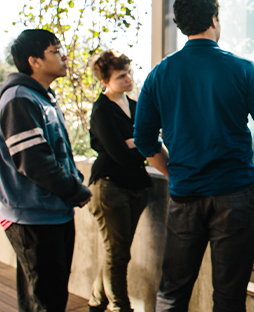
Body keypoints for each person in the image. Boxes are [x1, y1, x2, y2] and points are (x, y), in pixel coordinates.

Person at [133, 0, 254, 312]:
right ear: (213, 19)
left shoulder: (159, 75)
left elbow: (144, 140)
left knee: (172, 292)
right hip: (235, 198)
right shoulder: (241, 69)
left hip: (184, 197)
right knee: (228, 296)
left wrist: (175, 173)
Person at [0, 29, 92, 312]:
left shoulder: (43, 97)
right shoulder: (19, 99)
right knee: (46, 301)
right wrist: (76, 190)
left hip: (53, 214)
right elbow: (35, 161)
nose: (64, 56)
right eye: (56, 50)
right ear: (34, 60)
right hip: (34, 219)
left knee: (50, 296)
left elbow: (58, 153)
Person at [87, 50, 153, 312]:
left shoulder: (135, 106)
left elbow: (146, 145)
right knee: (118, 254)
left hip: (137, 186)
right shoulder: (102, 111)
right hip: (109, 186)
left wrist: (133, 142)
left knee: (119, 251)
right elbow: (119, 155)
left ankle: (96, 299)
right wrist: (140, 141)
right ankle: (120, 307)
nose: (129, 79)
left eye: (129, 73)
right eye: (121, 76)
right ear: (105, 81)